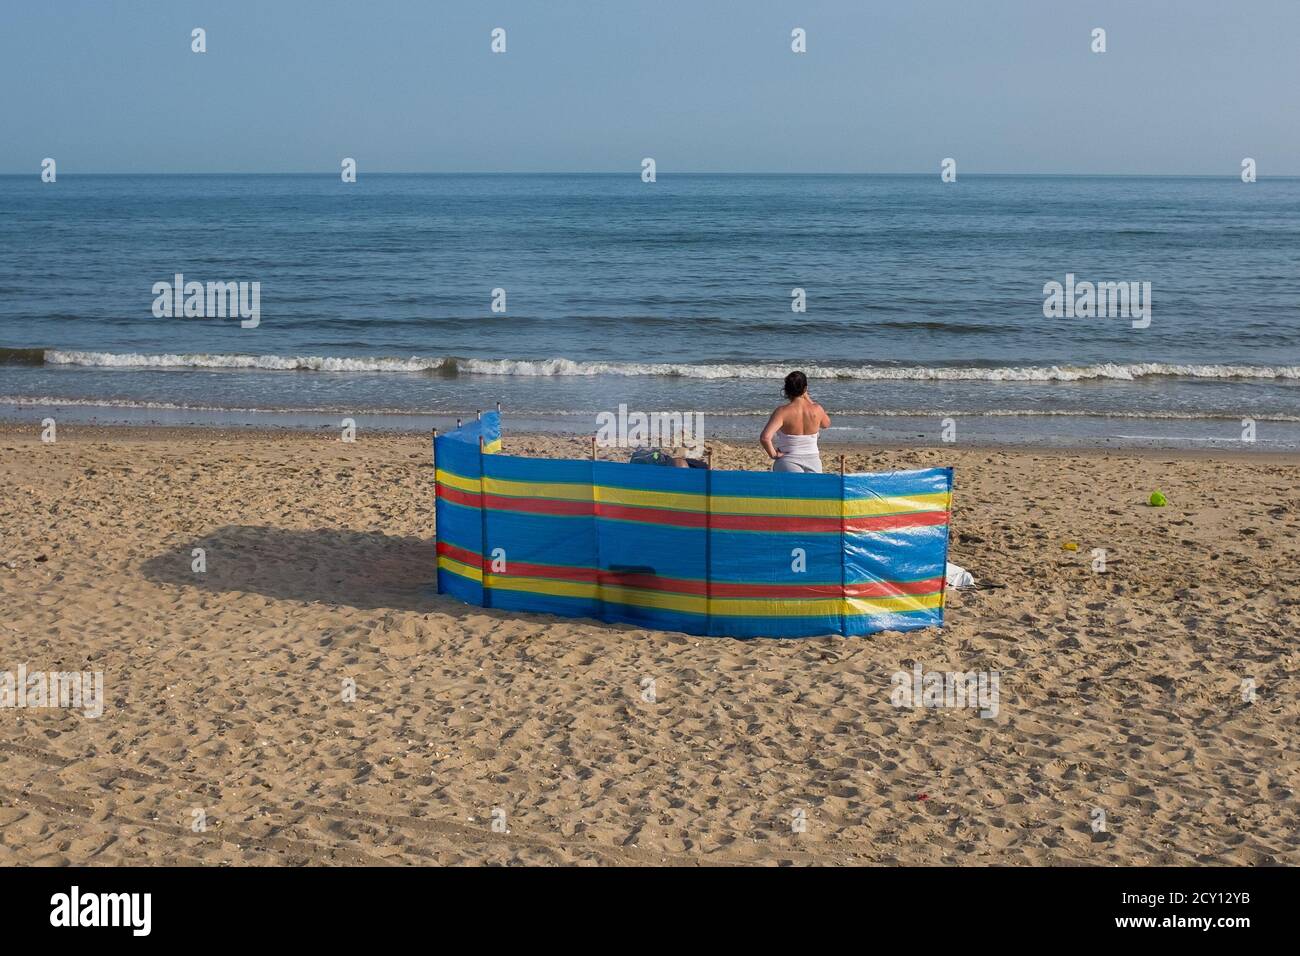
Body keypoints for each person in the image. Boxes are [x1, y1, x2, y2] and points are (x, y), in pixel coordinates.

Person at [760, 371, 829, 473]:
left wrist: (774, 455)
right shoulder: (817, 409)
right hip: (813, 461)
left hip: (788, 461)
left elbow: (765, 438)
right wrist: (808, 399)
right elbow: (826, 424)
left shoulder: (782, 412)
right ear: (805, 389)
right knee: (811, 489)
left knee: (790, 489)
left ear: (786, 390)